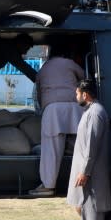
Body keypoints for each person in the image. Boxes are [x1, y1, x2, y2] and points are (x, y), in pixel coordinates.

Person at [29, 43, 85, 196]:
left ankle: (48, 185)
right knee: (80, 147)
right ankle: (83, 182)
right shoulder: (70, 63)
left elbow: (39, 93)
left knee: (51, 150)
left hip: (52, 108)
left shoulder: (44, 68)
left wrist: (43, 109)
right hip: (75, 107)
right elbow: (84, 78)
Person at [68, 78, 111, 220]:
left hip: (92, 170)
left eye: (77, 93)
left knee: (91, 204)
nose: (76, 96)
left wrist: (85, 171)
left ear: (85, 94)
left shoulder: (95, 113)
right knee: (86, 204)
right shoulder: (91, 111)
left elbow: (91, 145)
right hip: (88, 168)